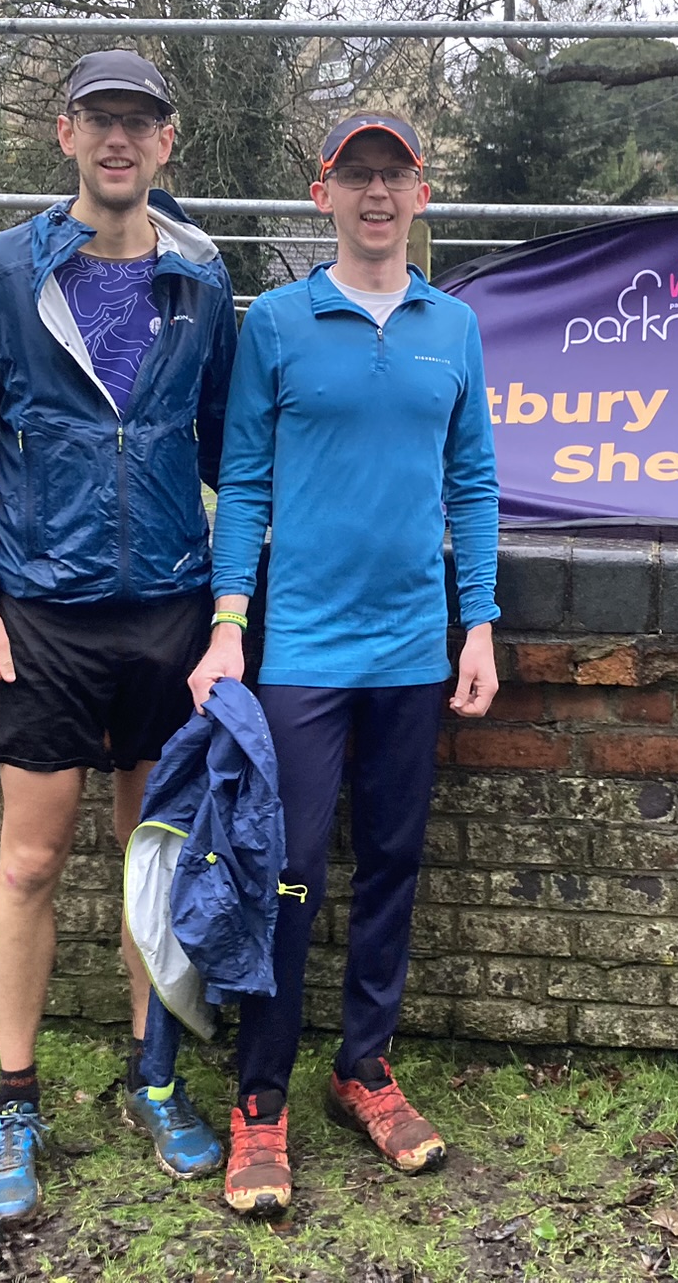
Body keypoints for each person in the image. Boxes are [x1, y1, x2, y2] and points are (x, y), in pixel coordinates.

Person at [0, 49, 239, 1218]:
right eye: (98, 120)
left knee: (151, 868)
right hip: (39, 612)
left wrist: (236, 601)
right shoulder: (0, 273)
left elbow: (230, 453)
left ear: (167, 143)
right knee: (32, 861)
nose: (119, 141)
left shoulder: (205, 278)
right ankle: (16, 1097)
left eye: (139, 123)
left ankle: (151, 1079)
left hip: (166, 611)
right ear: (64, 134)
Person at [188, 111, 500, 1217]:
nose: (376, 193)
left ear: (422, 194)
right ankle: (258, 1099)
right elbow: (246, 488)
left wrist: (479, 624)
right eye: (355, 174)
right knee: (287, 872)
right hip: (304, 648)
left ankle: (360, 1068)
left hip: (414, 646)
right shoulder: (273, 322)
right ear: (321, 194)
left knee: (393, 865)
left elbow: (469, 485)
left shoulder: (451, 327)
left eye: (395, 175)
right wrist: (229, 625)